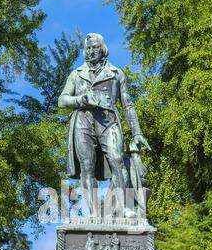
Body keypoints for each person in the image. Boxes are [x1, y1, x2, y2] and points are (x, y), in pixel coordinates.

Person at [58, 33, 151, 217]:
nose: (91, 51)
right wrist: (82, 98)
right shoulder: (77, 75)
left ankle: (122, 207)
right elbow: (62, 100)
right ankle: (93, 213)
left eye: (95, 48)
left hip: (108, 121)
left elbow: (128, 105)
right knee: (87, 166)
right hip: (83, 121)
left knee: (117, 160)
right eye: (88, 48)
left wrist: (137, 133)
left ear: (103, 49)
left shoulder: (116, 73)